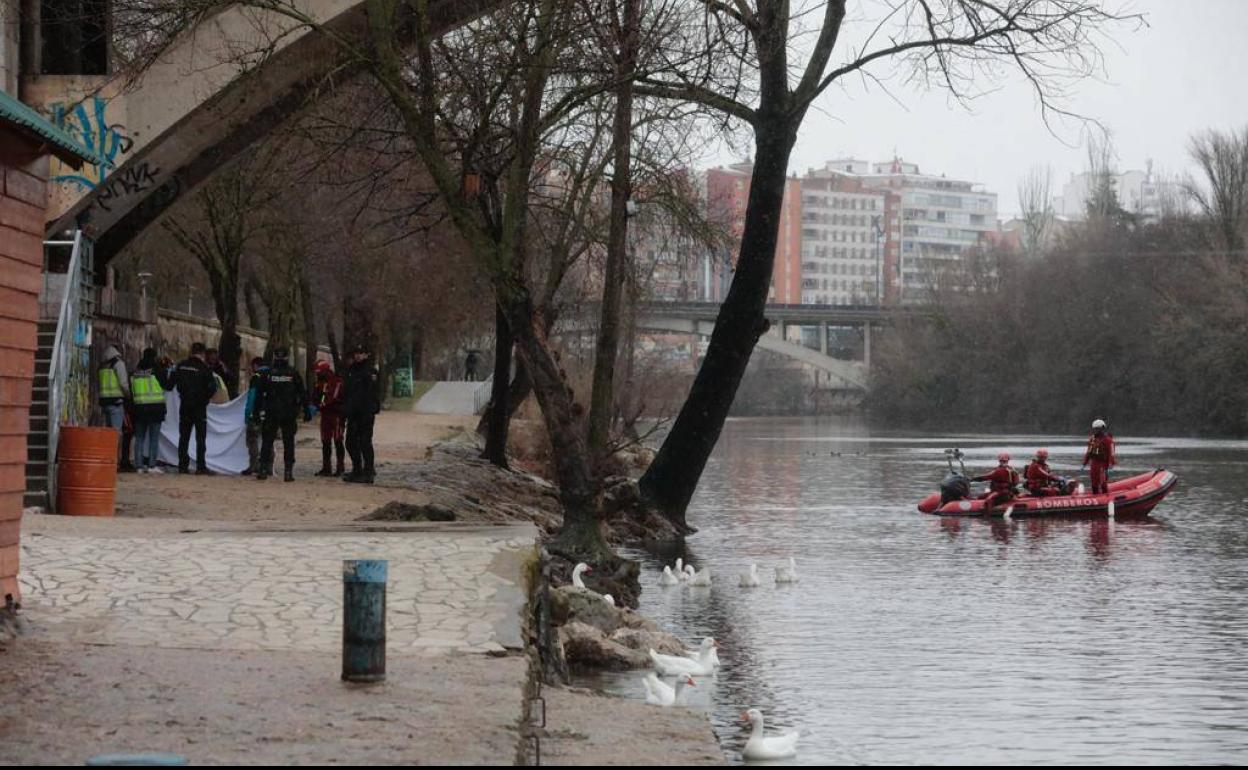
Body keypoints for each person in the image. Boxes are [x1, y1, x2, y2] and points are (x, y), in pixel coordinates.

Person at [254, 346, 305, 482]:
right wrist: (304, 409)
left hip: (273, 411)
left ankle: (264, 469)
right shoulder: (292, 373)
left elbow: (258, 395)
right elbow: (302, 393)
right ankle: (287, 471)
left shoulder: (268, 373)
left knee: (268, 441)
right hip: (287, 412)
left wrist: (256, 412)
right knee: (288, 442)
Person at [174, 342, 217, 474]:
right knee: (200, 437)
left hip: (185, 405)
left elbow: (171, 384)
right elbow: (212, 387)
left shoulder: (180, 366)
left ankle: (182, 465)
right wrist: (204, 399)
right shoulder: (204, 368)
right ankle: (200, 466)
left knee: (184, 436)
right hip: (199, 407)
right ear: (203, 353)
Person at [342, 345, 380, 484]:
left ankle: (368, 472)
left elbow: (374, 391)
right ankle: (357, 469)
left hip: (365, 412)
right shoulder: (350, 371)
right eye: (356, 353)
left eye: (361, 353)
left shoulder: (370, 371)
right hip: (353, 412)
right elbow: (347, 392)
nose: (358, 356)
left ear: (366, 355)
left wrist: (373, 407)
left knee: (365, 442)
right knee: (350, 442)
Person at [130, 347, 171, 473]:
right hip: (155, 408)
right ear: (154, 357)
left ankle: (139, 466)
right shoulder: (156, 370)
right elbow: (168, 385)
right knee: (154, 438)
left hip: (139, 408)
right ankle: (152, 465)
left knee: (140, 437)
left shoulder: (135, 371)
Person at [98, 344, 132, 471]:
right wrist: (128, 395)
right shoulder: (118, 364)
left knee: (108, 434)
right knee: (116, 434)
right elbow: (123, 383)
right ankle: (113, 462)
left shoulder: (103, 365)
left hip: (105, 403)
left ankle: (107, 459)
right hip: (116, 402)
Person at [311, 360, 346, 477]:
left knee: (338, 440)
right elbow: (316, 396)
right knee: (325, 440)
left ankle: (340, 467)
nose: (318, 375)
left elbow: (332, 398)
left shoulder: (336, 382)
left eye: (319, 372)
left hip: (336, 414)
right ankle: (326, 467)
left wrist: (320, 405)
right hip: (325, 414)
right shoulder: (320, 382)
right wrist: (314, 404)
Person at [242, 356, 267, 476]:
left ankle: (254, 465)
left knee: (252, 440)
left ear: (255, 366)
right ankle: (267, 466)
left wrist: (248, 414)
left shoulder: (256, 378)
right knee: (268, 441)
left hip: (257, 413)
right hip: (270, 414)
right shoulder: (273, 376)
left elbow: (252, 397)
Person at [1082, 418, 1116, 494]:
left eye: (1098, 429)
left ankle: (1105, 497)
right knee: (1094, 482)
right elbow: (1088, 452)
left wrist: (1111, 465)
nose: (1096, 430)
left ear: (1102, 428)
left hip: (1103, 464)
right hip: (1094, 463)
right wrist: (1084, 464)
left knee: (1103, 482)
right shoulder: (1092, 439)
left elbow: (1112, 453)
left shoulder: (1108, 440)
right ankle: (1095, 498)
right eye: (1095, 429)